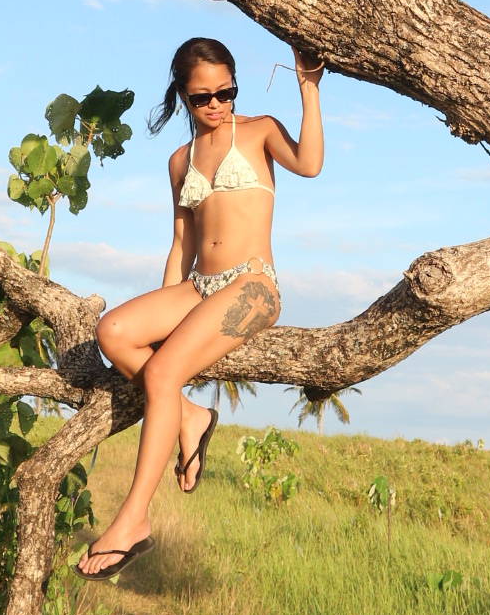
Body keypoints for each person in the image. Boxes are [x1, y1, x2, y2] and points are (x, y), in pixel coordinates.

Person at [76, 35, 324, 579]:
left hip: (253, 285)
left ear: (235, 86)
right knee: (112, 330)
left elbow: (309, 164)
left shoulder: (259, 130)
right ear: (183, 96)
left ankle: (133, 520)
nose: (216, 105)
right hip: (200, 285)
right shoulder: (179, 160)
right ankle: (189, 414)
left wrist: (308, 86)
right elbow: (181, 244)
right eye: (202, 97)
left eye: (225, 92)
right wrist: (164, 314)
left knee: (162, 373)